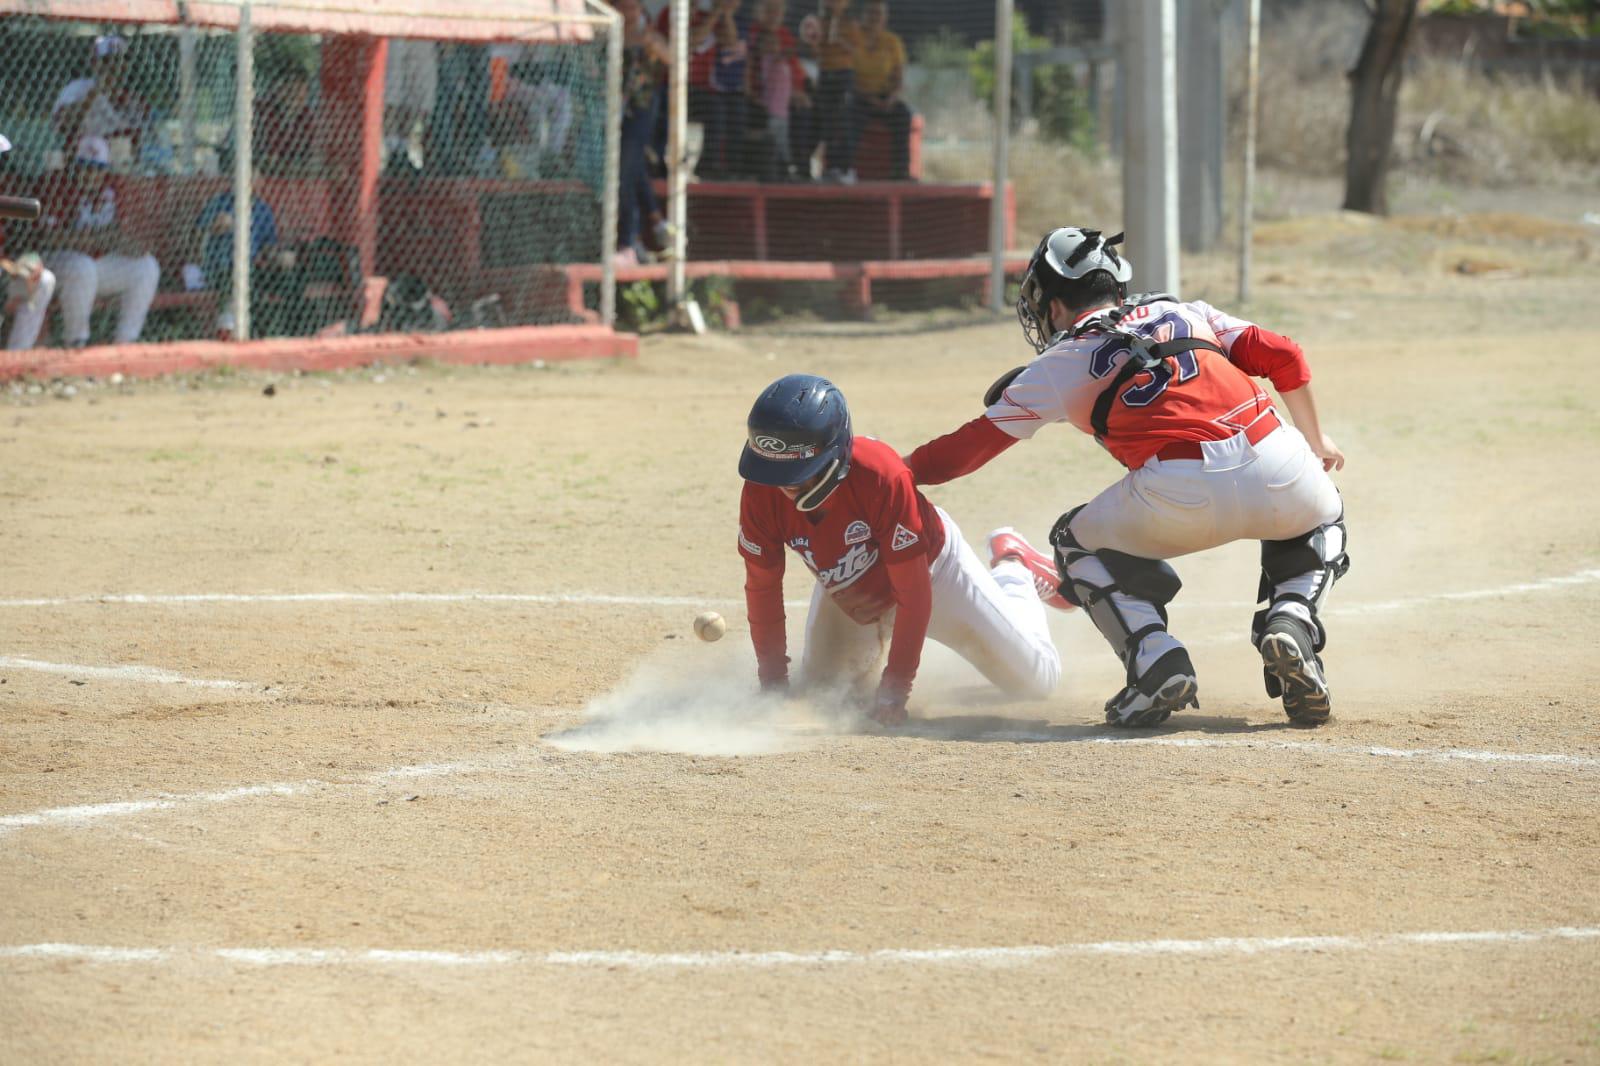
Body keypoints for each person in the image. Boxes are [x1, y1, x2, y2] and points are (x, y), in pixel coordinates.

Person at [904, 227, 1350, 728]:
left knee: (1073, 541)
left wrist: (898, 471)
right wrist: (1316, 440)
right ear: (1116, 286)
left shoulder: (1061, 361)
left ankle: (1154, 659)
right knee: (1321, 512)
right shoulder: (1185, 310)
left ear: (1052, 307)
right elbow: (1285, 356)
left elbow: (965, 450)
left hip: (1180, 488)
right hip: (1277, 461)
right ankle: (1292, 616)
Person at [738, 373, 1062, 726]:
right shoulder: (761, 490)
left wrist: (895, 689)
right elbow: (763, 587)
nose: (784, 484)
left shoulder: (881, 476)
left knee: (1036, 681)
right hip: (848, 587)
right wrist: (772, 684)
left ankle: (1014, 566)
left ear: (836, 455)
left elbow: (914, 592)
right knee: (825, 700)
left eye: (799, 470)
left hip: (936, 576)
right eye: (774, 469)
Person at [37, 136, 160, 347]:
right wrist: (99, 239)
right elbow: (50, 238)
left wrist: (126, 244)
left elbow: (136, 243)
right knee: (82, 266)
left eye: (97, 169)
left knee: (147, 266)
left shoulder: (116, 189)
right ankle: (76, 340)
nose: (91, 174)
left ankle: (125, 340)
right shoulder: (57, 186)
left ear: (105, 170)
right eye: (85, 168)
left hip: (98, 264)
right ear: (74, 167)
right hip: (57, 263)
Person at [613, 0, 670, 262]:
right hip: (614, 113)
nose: (628, 13)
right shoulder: (608, 34)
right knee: (632, 168)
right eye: (623, 7)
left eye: (633, 7)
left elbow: (672, 57)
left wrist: (650, 44)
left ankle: (628, 241)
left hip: (642, 110)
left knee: (626, 170)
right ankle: (656, 221)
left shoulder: (650, 36)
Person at [0, 133, 57, 351]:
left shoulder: (11, 195)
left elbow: (27, 245)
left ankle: (15, 358)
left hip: (4, 275)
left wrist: (26, 263)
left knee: (43, 280)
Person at [51, 35, 150, 158]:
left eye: (120, 60)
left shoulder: (133, 100)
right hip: (82, 164)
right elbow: (63, 122)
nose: (114, 67)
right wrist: (95, 92)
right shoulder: (78, 88)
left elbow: (139, 143)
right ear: (94, 63)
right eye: (107, 60)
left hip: (119, 166)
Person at [745, 0, 811, 181]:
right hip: (758, 101)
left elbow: (794, 70)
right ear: (757, 10)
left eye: (778, 10)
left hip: (784, 102)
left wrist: (798, 92)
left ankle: (800, 168)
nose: (774, 15)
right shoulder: (749, 34)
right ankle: (770, 171)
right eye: (769, 10)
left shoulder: (785, 35)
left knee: (806, 112)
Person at [799, 0, 862, 183]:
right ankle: (826, 168)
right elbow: (814, 52)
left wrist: (840, 40)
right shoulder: (819, 23)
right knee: (826, 121)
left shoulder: (851, 25)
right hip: (826, 76)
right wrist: (814, 42)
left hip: (844, 77)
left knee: (842, 120)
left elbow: (856, 51)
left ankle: (846, 168)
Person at [851, 0, 912, 180]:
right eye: (870, 13)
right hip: (857, 98)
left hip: (885, 98)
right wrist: (867, 98)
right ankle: (847, 169)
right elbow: (846, 75)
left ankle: (900, 172)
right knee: (849, 116)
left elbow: (898, 78)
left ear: (885, 18)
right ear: (862, 16)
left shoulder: (892, 42)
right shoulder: (852, 38)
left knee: (903, 114)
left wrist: (891, 98)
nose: (874, 18)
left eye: (879, 13)